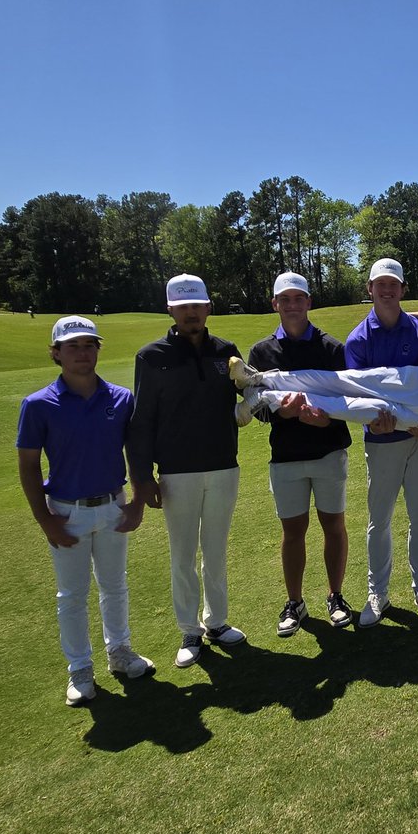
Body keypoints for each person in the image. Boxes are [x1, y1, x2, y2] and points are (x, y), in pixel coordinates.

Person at [232, 310, 418, 614]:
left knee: (355, 409)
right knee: (346, 381)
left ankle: (266, 398)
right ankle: (261, 379)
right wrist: (407, 313)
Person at [17, 316, 152, 706]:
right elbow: (28, 465)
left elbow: (137, 453)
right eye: (73, 346)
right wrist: (45, 520)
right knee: (72, 595)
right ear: (56, 353)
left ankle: (120, 653)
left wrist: (138, 504)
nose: (82, 353)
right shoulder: (38, 404)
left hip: (112, 504)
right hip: (66, 512)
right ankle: (79, 668)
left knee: (115, 586)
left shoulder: (122, 398)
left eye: (89, 345)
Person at [128, 274, 247, 669]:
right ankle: (189, 630)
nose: (191, 313)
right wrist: (142, 477)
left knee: (215, 551)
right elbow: (141, 420)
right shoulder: (152, 356)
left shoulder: (225, 352)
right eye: (183, 307)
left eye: (197, 305)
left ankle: (216, 622)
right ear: (171, 310)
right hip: (177, 472)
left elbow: (250, 392)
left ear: (208, 307)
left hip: (223, 466)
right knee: (182, 554)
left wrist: (251, 400)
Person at [246, 271, 354, 637]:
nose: (292, 305)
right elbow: (255, 406)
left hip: (328, 452)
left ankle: (335, 596)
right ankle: (295, 602)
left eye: (299, 298)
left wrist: (323, 421)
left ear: (309, 302)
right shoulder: (261, 352)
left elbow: (347, 404)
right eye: (285, 299)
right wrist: (283, 412)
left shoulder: (332, 349)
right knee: (293, 532)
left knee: (333, 527)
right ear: (275, 304)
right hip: (286, 457)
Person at [343, 257, 418, 627]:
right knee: (379, 521)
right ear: (370, 289)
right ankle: (378, 593)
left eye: (393, 285)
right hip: (381, 441)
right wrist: (390, 419)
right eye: (380, 285)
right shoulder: (358, 339)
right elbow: (358, 396)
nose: (387, 291)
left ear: (402, 289)